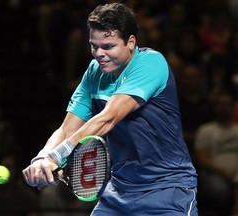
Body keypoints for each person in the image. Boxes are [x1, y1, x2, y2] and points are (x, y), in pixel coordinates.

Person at [22, 3, 198, 216]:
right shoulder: (94, 71)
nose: (99, 54)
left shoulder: (151, 63)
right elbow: (67, 129)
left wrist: (57, 157)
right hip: (118, 192)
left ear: (131, 42)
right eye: (94, 46)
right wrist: (43, 157)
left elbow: (109, 118)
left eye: (108, 46)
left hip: (167, 189)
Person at [194, 93, 238, 216]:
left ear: (233, 107)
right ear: (214, 107)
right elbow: (202, 158)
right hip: (215, 173)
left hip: (236, 171)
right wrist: (224, 172)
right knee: (219, 190)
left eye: (227, 104)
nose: (224, 107)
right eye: (220, 104)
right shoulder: (206, 129)